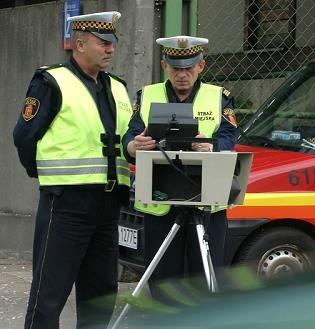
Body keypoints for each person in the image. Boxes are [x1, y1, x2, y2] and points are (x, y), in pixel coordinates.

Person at [12, 11, 133, 329]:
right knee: (48, 296)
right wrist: (48, 179)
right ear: (79, 44)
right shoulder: (51, 81)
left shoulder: (118, 88)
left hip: (108, 207)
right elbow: (24, 136)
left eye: (113, 43)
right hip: (66, 204)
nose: (110, 49)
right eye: (103, 43)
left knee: (100, 295)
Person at [122, 36, 237, 304]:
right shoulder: (147, 95)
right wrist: (132, 146)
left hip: (206, 199)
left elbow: (230, 136)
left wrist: (212, 146)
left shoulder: (219, 97)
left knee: (206, 280)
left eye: (188, 67)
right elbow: (129, 136)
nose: (182, 74)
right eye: (175, 68)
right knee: (163, 282)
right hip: (160, 198)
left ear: (201, 66)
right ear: (164, 66)